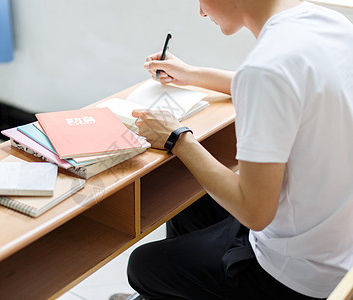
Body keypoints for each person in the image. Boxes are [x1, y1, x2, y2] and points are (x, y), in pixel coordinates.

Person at [110, 0, 353, 299]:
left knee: (142, 265)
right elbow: (285, 85)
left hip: (292, 275)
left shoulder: (266, 67)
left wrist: (177, 138)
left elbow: (255, 213)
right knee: (188, 197)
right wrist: (191, 73)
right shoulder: (331, 23)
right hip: (336, 245)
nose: (200, 11)